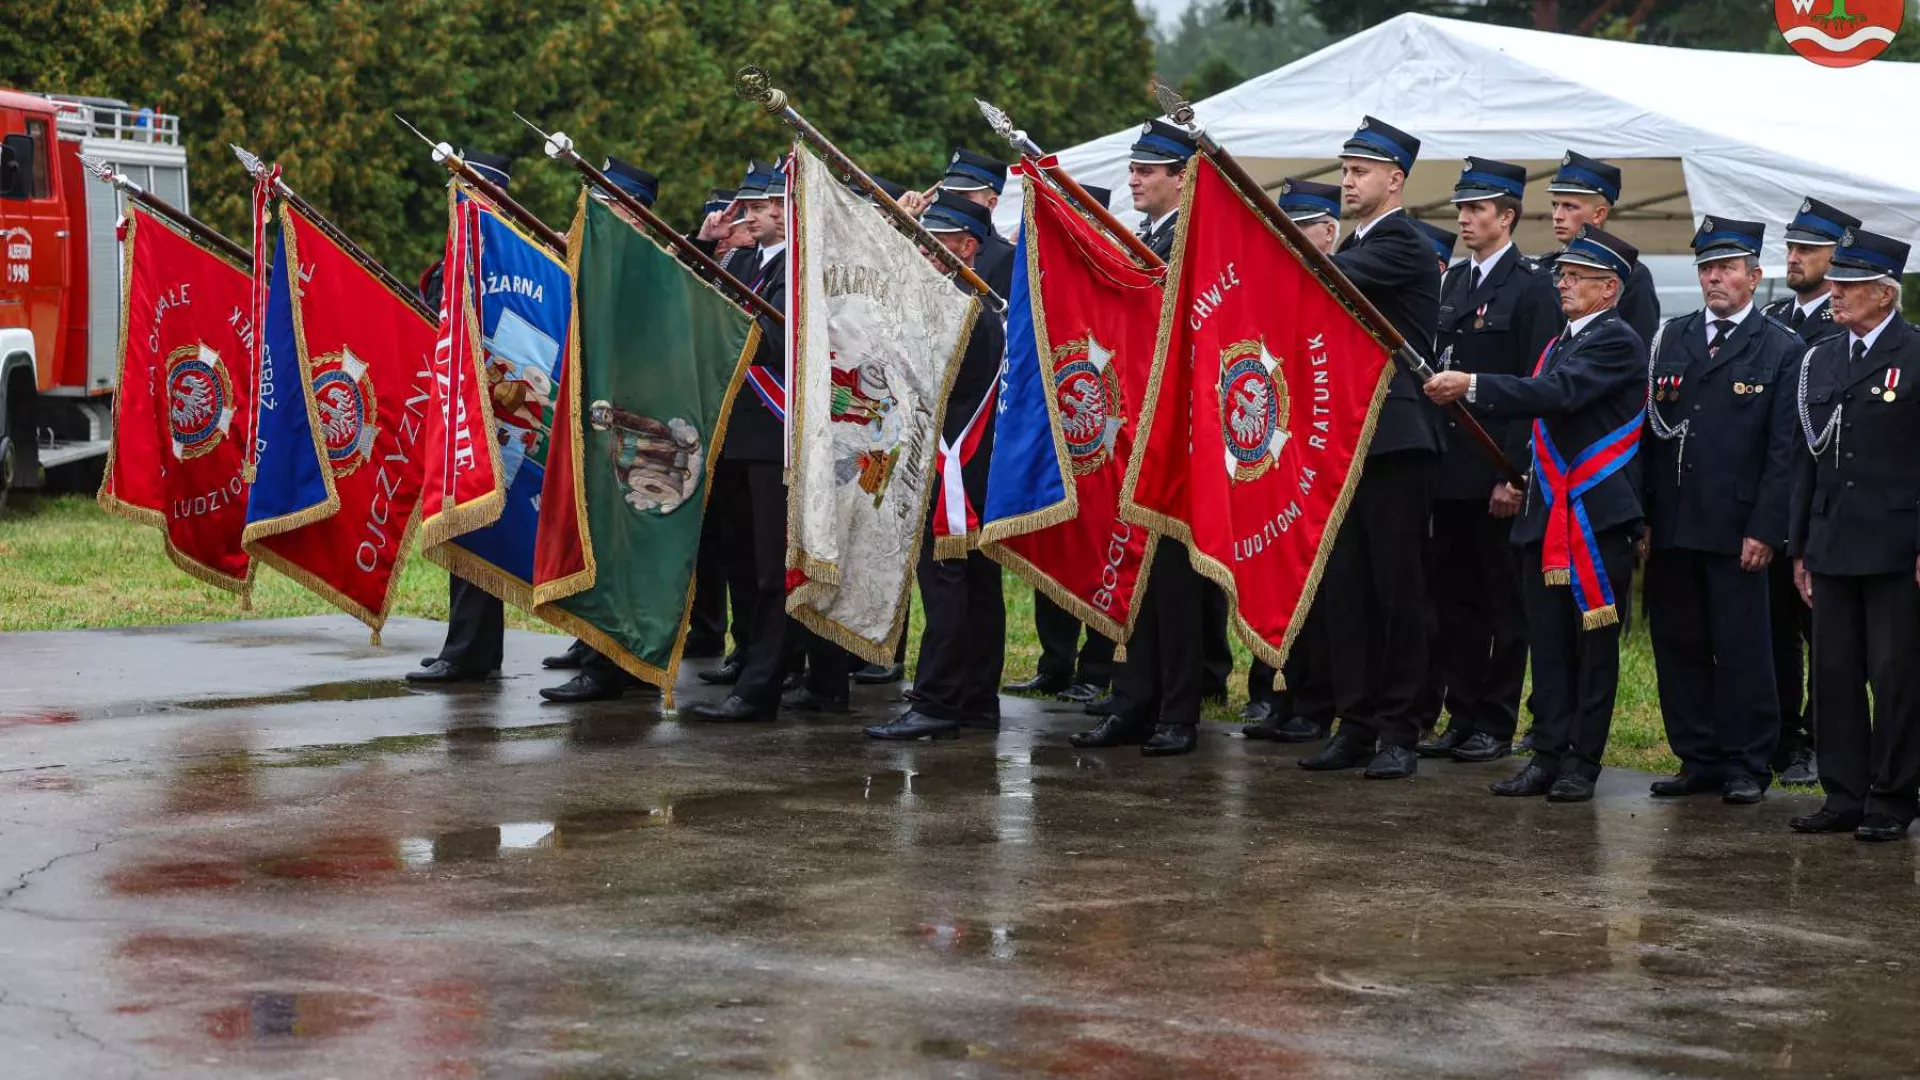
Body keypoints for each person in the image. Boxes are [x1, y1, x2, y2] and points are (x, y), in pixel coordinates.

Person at [1424, 226, 1649, 802]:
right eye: (1563, 275)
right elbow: (1539, 400)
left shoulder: (1616, 340)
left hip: (1595, 518)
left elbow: (1562, 393)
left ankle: (1582, 761)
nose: (1563, 284)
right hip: (1548, 513)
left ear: (1609, 289)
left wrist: (1473, 384)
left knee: (1590, 648)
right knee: (1546, 643)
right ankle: (1547, 754)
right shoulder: (1560, 342)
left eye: (1576, 277)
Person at [1296, 116, 1444, 781]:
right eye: (1346, 170)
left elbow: (1321, 274)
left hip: (1394, 435)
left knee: (1399, 588)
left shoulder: (1402, 244)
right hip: (1347, 436)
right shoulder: (1359, 242)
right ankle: (1355, 722)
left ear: (1396, 180)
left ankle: (1400, 729)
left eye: (1360, 172)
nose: (1348, 182)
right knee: (1346, 588)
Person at [1640, 216, 1800, 803]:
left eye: (1727, 268)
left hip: (1737, 527)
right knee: (1679, 644)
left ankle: (1747, 761)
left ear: (1754, 277)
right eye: (1706, 268)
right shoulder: (1671, 337)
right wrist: (1647, 518)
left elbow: (1784, 453)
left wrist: (1766, 528)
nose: (1714, 279)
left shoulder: (1782, 348)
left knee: (1743, 649)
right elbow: (1651, 439)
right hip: (1677, 521)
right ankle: (1697, 755)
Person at [686, 160, 849, 722]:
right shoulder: (755, 262)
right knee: (748, 562)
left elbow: (781, 343)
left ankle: (761, 687)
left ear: (786, 209)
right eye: (748, 208)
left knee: (774, 568)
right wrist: (706, 247)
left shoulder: (802, 267)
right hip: (742, 432)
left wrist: (739, 319)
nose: (748, 216)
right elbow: (699, 304)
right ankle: (794, 673)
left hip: (777, 435)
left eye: (758, 207)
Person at [1068, 118, 1207, 758]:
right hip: (1131, 422)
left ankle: (1178, 710)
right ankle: (1133, 699)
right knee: (1134, 574)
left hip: (1177, 433)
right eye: (1133, 167)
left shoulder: (1196, 239)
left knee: (1174, 583)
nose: (1134, 178)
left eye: (1148, 170)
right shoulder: (1139, 238)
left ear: (1182, 177)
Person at [1787, 227, 1920, 842]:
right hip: (1833, 542)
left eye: (1850, 285)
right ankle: (1844, 792)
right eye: (1835, 283)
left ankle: (1893, 796)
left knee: (1895, 677)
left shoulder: (1915, 354)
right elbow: (1805, 462)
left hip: (1896, 546)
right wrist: (1800, 547)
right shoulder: (1821, 356)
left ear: (1885, 295)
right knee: (1834, 675)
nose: (1835, 294)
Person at [865, 192, 1009, 740]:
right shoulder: (967, 302)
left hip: (952, 467)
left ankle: (938, 701)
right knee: (973, 585)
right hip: (960, 467)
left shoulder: (960, 307)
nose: (924, 246)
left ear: (967, 246)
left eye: (936, 238)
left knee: (949, 585)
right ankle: (974, 697)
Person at [540, 157, 671, 704]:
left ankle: (614, 664)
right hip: (594, 421)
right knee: (594, 536)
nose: (597, 211)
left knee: (623, 547)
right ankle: (597, 648)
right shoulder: (597, 258)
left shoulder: (652, 265)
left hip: (634, 425)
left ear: (637, 214)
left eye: (611, 203)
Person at [1760, 196, 1861, 787]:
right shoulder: (1774, 319)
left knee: (1825, 633)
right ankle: (1782, 737)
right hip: (1776, 502)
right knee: (1774, 629)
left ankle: (1825, 738)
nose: (1793, 258)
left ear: (1837, 257)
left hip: (1827, 504)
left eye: (1807, 249)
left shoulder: (1844, 325)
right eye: (1791, 248)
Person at [411, 148, 515, 687]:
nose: (456, 197)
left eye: (465, 187)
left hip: (495, 416)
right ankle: (465, 645)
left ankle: (472, 651)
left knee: (479, 531)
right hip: (457, 409)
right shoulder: (460, 250)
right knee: (463, 532)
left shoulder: (504, 255)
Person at [1244, 176, 1342, 743]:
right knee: (1273, 575)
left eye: (1299, 229)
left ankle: (1312, 699)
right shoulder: (1271, 286)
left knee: (1318, 583)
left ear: (1328, 232)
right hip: (1274, 449)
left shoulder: (1343, 279)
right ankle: (1272, 691)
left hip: (1322, 455)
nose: (1289, 240)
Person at [1544, 151, 1660, 347]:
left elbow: (1638, 350)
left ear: (1599, 214)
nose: (1557, 215)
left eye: (1569, 206)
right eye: (1555, 205)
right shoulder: (1543, 267)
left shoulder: (1630, 275)